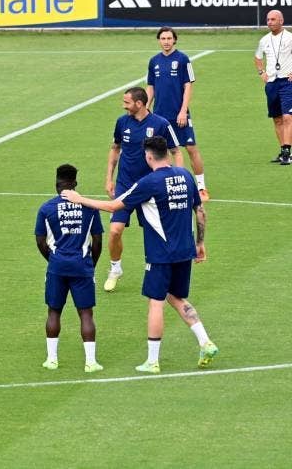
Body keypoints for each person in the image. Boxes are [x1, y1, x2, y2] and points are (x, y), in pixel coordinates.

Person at [62, 136, 218, 373]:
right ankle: (205, 342)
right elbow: (200, 211)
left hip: (160, 255)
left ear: (148, 156)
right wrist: (201, 243)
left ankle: (152, 361)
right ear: (166, 153)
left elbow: (114, 206)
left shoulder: (149, 182)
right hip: (184, 250)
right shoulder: (185, 175)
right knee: (175, 297)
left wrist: (79, 199)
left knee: (156, 302)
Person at [102, 87, 182, 293]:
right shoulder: (122, 123)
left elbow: (175, 151)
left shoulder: (161, 124)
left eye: (127, 102)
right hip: (125, 185)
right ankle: (115, 269)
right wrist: (109, 178)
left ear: (139, 104)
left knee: (153, 232)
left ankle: (157, 270)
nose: (124, 105)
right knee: (114, 231)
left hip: (152, 187)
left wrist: (178, 176)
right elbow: (115, 149)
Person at [34, 165, 104, 373]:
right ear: (74, 184)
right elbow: (97, 239)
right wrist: (92, 263)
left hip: (57, 266)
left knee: (54, 311)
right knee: (85, 314)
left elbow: (40, 242)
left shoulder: (46, 209)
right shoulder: (89, 208)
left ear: (57, 184)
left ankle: (52, 359)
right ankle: (90, 362)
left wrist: (53, 260)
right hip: (82, 266)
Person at [147, 26, 209, 199]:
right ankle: (168, 186)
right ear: (159, 41)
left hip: (179, 114)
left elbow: (188, 86)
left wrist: (183, 111)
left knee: (190, 148)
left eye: (169, 38)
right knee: (162, 151)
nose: (166, 42)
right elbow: (151, 87)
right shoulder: (154, 61)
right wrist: (145, 108)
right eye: (163, 39)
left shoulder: (182, 59)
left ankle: (201, 187)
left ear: (174, 40)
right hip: (159, 115)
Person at [253, 9, 292, 165]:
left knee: (287, 117)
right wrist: (262, 72)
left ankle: (287, 153)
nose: (269, 22)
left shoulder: (290, 38)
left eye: (273, 19)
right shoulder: (264, 40)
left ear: (281, 21)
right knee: (276, 119)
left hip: (287, 83)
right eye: (268, 19)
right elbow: (257, 57)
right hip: (271, 84)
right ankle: (283, 150)